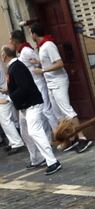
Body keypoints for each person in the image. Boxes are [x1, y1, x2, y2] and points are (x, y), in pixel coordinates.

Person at [30, 23, 92, 153]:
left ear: (34, 34)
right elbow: (49, 61)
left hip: (58, 81)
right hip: (51, 83)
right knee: (58, 113)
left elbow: (59, 63)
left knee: (67, 110)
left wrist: (42, 70)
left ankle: (82, 138)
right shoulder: (42, 47)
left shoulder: (48, 45)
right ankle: (71, 137)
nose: (31, 35)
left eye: (31, 33)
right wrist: (39, 63)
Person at [0, 45, 62, 174]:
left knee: (34, 131)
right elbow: (20, 85)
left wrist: (9, 98)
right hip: (26, 106)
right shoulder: (15, 66)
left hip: (32, 105)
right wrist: (8, 90)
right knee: (25, 132)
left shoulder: (16, 67)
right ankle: (37, 158)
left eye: (1, 53)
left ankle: (53, 162)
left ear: (4, 55)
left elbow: (25, 87)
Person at [10, 30, 59, 134]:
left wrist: (38, 64)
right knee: (42, 114)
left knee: (47, 110)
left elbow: (42, 62)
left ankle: (60, 136)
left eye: (10, 39)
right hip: (35, 85)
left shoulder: (26, 51)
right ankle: (49, 137)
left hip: (40, 83)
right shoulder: (22, 52)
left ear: (15, 41)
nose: (9, 42)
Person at [0, 61, 24, 155]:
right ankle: (12, 141)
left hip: (2, 96)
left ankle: (16, 142)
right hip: (5, 92)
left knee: (5, 121)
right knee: (9, 120)